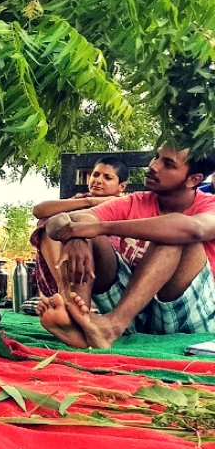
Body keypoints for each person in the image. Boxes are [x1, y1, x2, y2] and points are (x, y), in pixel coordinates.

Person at [36, 145, 215, 348]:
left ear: (194, 180)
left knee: (173, 235)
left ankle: (111, 327)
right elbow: (55, 222)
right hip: (136, 313)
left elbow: (193, 229)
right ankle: (80, 322)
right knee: (86, 234)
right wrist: (76, 237)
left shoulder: (210, 205)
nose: (153, 166)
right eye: (156, 157)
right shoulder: (135, 201)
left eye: (168, 164)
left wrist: (98, 227)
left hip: (188, 315)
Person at [29, 156, 129, 298]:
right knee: (48, 222)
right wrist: (89, 201)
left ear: (122, 187)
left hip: (107, 273)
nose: (98, 180)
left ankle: (71, 296)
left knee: (85, 223)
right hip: (71, 269)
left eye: (107, 177)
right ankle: (63, 290)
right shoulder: (82, 199)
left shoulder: (125, 204)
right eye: (95, 174)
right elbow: (39, 211)